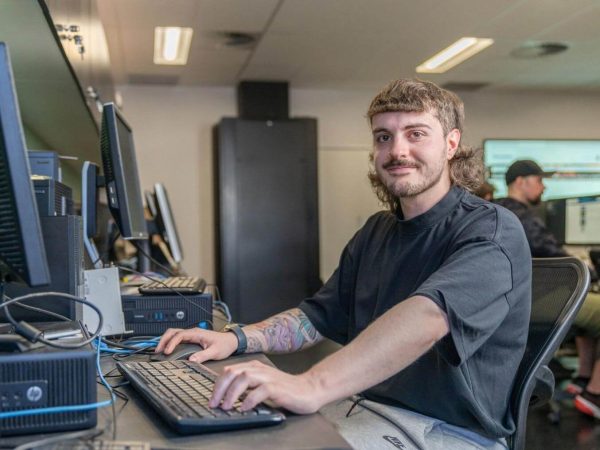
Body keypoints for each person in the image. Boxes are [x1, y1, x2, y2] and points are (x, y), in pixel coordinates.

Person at [156, 79, 531, 449]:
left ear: (451, 144)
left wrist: (311, 384)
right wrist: (236, 337)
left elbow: (429, 318)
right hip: (363, 407)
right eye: (384, 137)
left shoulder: (491, 230)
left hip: (444, 430)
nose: (397, 150)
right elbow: (317, 317)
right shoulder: (377, 231)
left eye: (416, 134)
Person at [495, 160, 600, 419]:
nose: (543, 188)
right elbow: (562, 260)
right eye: (540, 181)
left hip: (512, 301)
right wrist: (590, 270)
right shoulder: (522, 216)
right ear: (522, 181)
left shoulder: (496, 210)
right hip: (535, 302)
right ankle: (595, 395)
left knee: (587, 304)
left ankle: (583, 378)